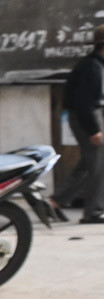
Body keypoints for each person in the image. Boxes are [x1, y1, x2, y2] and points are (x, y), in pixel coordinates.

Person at [59, 26, 104, 224]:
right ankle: (92, 212)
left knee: (91, 163)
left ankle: (57, 200)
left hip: (89, 115)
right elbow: (84, 101)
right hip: (86, 117)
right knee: (96, 165)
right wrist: (94, 129)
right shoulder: (92, 67)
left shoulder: (97, 65)